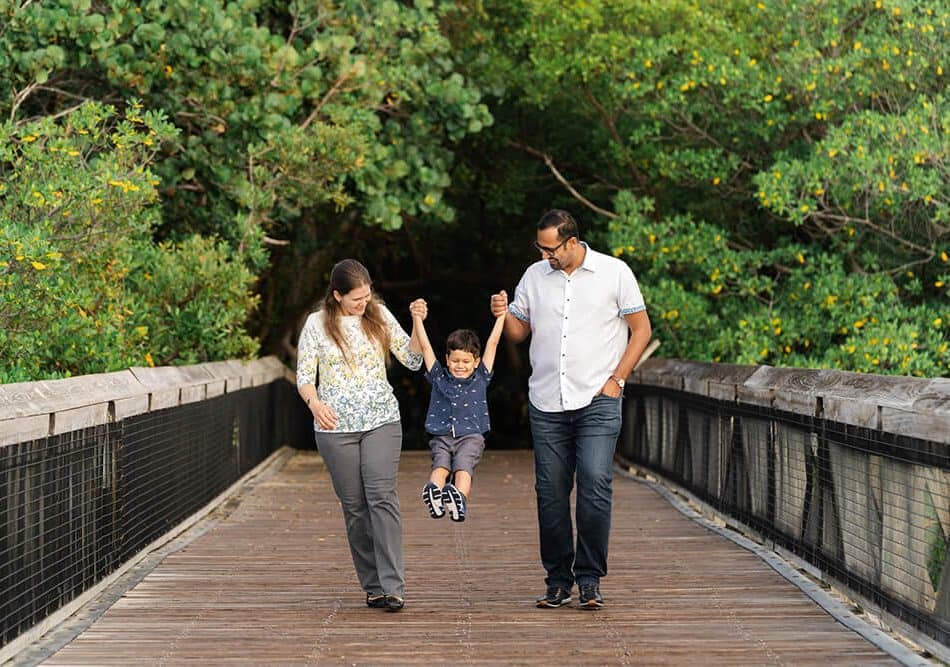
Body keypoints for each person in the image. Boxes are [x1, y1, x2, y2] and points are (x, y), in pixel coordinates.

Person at [490, 209, 652, 610]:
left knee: (595, 483)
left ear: (572, 241)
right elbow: (518, 333)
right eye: (540, 248)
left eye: (551, 249)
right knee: (550, 493)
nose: (545, 255)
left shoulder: (614, 272)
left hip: (598, 398)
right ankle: (558, 581)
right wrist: (503, 314)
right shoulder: (534, 276)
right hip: (547, 401)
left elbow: (641, 330)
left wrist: (617, 380)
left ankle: (590, 578)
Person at [296, 259, 424, 613]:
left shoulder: (378, 314)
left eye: (367, 296)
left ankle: (394, 586)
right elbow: (304, 376)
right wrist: (314, 404)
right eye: (356, 299)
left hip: (381, 421)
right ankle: (373, 586)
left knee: (382, 497)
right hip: (335, 429)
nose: (363, 303)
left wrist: (417, 323)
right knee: (355, 508)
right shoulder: (316, 324)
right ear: (337, 295)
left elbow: (413, 360)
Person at [408, 298, 506, 522]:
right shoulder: (439, 377)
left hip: (471, 435)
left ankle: (458, 499)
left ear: (476, 361)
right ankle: (434, 492)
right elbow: (425, 347)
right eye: (455, 361)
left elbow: (492, 344)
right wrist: (417, 319)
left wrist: (501, 317)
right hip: (441, 434)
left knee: (463, 466)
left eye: (465, 361)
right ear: (447, 359)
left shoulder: (481, 377)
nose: (460, 365)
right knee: (440, 465)